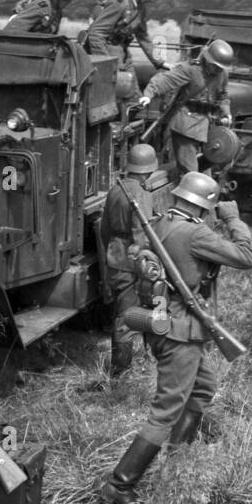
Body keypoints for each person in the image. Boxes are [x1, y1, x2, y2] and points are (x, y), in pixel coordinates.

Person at [100, 174, 252, 504]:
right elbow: (246, 256)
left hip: (165, 325)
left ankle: (177, 459)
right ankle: (119, 486)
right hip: (180, 333)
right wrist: (234, 219)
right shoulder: (196, 232)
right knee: (165, 411)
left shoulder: (160, 222)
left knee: (203, 387)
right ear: (205, 205)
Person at [97, 144, 172, 384]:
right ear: (148, 170)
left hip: (115, 255)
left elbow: (105, 229)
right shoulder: (140, 193)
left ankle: (131, 364)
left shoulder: (115, 189)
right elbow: (141, 233)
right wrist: (149, 263)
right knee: (129, 314)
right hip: (135, 260)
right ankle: (120, 373)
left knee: (126, 308)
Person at [134, 38, 234, 177]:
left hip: (206, 127)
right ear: (208, 60)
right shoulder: (190, 69)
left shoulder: (222, 74)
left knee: (206, 174)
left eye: (220, 68)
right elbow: (165, 80)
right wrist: (148, 94)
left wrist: (226, 114)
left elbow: (223, 96)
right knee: (191, 173)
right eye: (215, 66)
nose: (217, 70)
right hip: (186, 126)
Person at [85, 0, 165, 70]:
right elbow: (96, 33)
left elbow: (143, 37)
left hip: (122, 53)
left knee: (131, 81)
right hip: (106, 52)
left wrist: (160, 62)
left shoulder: (140, 8)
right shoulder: (120, 1)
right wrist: (105, 62)